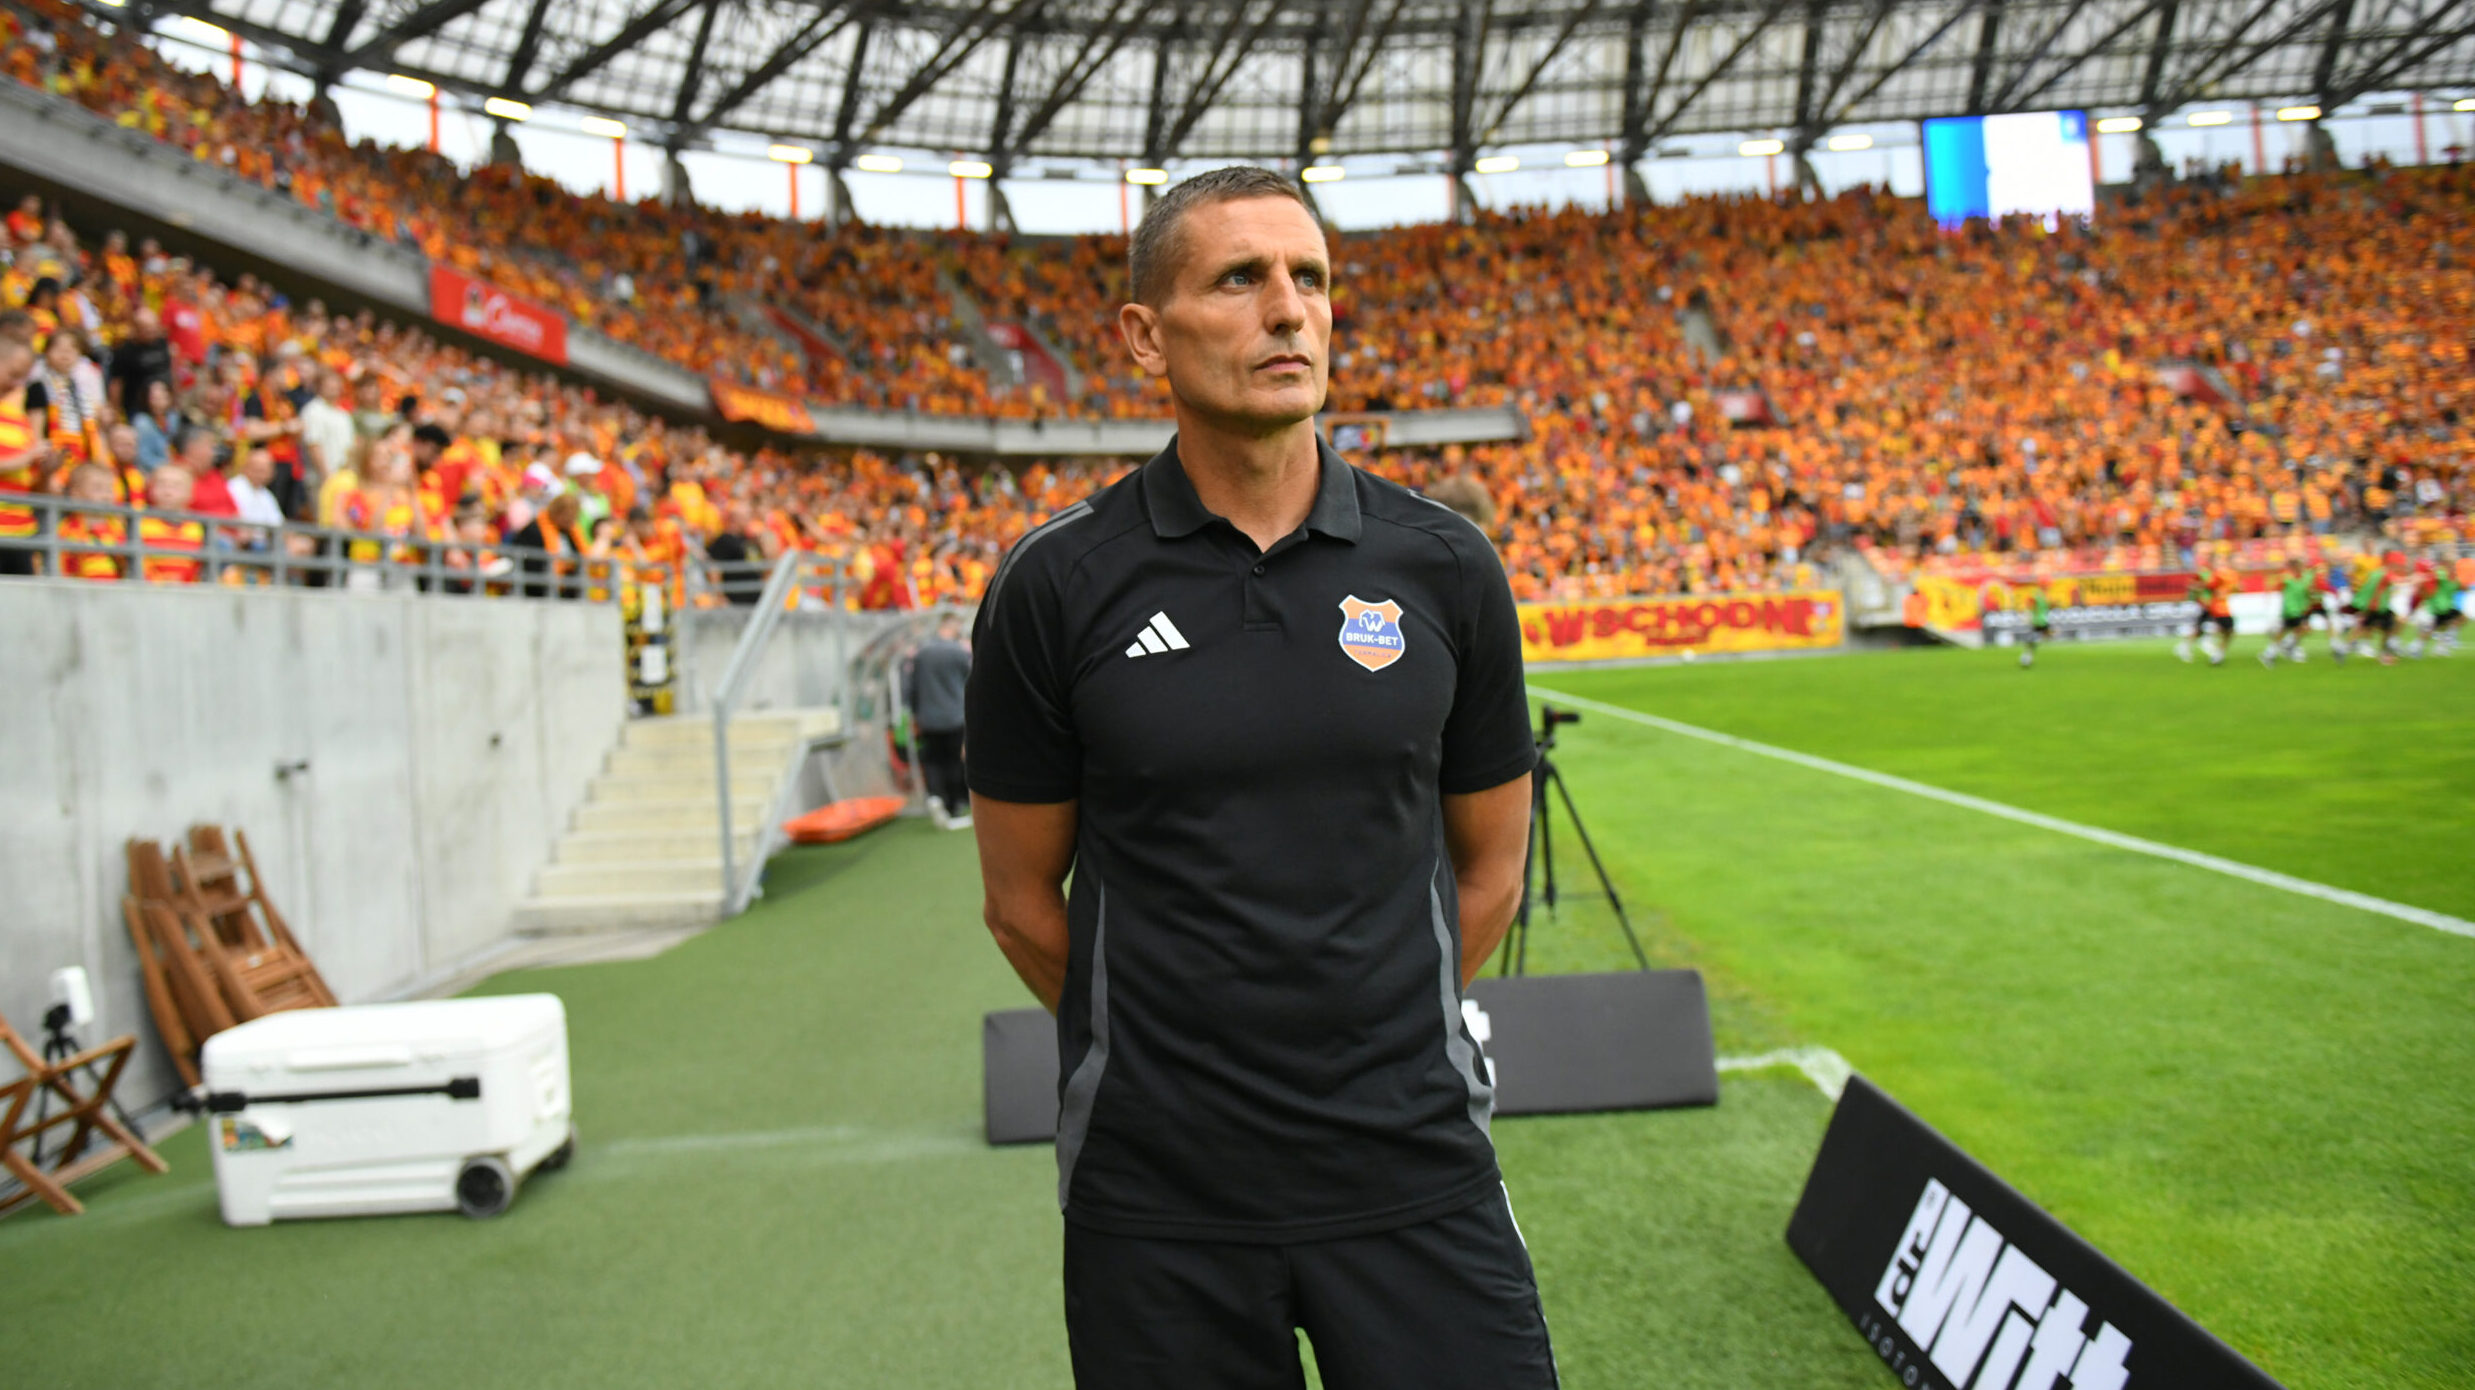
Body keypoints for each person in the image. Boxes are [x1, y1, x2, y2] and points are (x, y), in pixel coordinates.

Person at [965, 167, 1551, 1390]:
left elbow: (1494, 867)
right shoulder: (1055, 586)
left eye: (1310, 278)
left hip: (1413, 1163)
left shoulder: (1447, 566)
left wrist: (1375, 1031)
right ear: (1145, 336)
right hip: (1158, 1193)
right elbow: (1019, 901)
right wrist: (1176, 1052)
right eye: (1240, 279)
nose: (1289, 308)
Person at [903, 612, 973, 830]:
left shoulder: (922, 652)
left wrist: (915, 714)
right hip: (954, 717)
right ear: (952, 627)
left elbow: (911, 688)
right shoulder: (959, 652)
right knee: (953, 761)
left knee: (932, 761)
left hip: (928, 718)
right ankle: (953, 806)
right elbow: (971, 681)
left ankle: (935, 797)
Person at [2262, 556, 2319, 665]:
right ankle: (2287, 646)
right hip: (2290, 609)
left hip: (2299, 608)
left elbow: (2309, 588)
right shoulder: (2286, 578)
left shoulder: (2304, 577)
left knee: (2284, 631)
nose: (2302, 568)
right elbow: (2274, 586)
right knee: (2304, 628)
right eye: (2299, 566)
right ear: (2294, 567)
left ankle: (2270, 653)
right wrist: (2268, 597)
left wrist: (2311, 599)